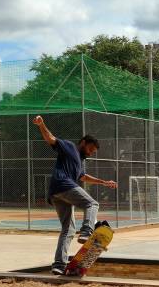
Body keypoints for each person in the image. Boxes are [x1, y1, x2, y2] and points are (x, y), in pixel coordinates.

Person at [33, 115, 117, 275]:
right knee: (92, 204)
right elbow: (50, 139)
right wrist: (41, 124)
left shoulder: (80, 161)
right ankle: (87, 231)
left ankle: (58, 265)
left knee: (68, 230)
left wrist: (103, 182)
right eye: (90, 149)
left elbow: (83, 177)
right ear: (83, 143)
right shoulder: (69, 147)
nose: (91, 153)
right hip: (63, 185)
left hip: (56, 194)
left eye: (93, 152)